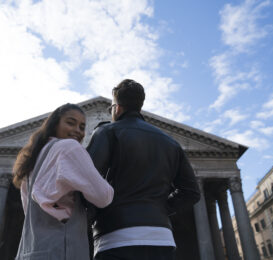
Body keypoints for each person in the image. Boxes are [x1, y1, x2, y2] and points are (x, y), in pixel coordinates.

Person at [86, 79, 201, 260]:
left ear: (117, 108)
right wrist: (160, 208)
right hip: (162, 237)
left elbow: (85, 180)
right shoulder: (171, 143)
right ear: (140, 106)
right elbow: (191, 192)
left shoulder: (107, 132)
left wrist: (94, 215)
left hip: (116, 235)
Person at [13, 103, 114, 260]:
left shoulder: (33, 160)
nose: (78, 131)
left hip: (31, 251)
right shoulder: (69, 147)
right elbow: (104, 197)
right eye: (70, 123)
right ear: (55, 124)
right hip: (62, 249)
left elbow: (30, 210)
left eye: (82, 127)